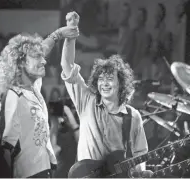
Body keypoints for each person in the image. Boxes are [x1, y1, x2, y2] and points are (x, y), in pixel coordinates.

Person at [61, 11, 152, 178]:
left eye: (109, 79)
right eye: (101, 79)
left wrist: (140, 174)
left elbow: (140, 154)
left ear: (121, 84)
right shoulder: (87, 101)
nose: (104, 83)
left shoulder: (133, 116)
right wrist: (71, 32)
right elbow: (67, 65)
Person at [0, 26, 79, 178]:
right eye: (37, 57)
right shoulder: (13, 96)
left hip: (44, 172)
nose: (44, 60)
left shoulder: (33, 88)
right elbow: (5, 149)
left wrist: (59, 34)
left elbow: (42, 49)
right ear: (21, 63)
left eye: (42, 56)